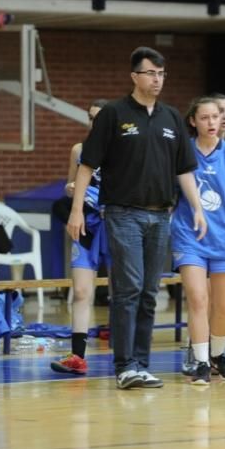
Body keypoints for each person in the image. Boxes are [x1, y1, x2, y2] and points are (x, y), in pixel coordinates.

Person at [67, 46, 206, 390]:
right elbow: (87, 165)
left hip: (161, 216)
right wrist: (75, 210)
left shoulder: (172, 117)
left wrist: (198, 207)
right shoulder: (113, 114)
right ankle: (124, 364)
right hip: (123, 213)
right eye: (150, 73)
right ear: (135, 76)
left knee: (148, 291)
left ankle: (141, 364)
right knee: (127, 289)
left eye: (161, 74)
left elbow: (185, 169)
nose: (157, 79)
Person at [173, 97, 225, 386]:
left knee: (222, 305)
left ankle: (218, 355)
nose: (211, 123)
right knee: (197, 297)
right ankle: (202, 361)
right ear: (193, 121)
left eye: (215, 117)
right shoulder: (184, 150)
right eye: (204, 118)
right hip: (189, 233)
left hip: (224, 236)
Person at [50, 98, 110, 376]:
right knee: (82, 291)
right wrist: (72, 188)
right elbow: (68, 186)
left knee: (122, 292)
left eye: (99, 118)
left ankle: (128, 354)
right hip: (86, 222)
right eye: (90, 117)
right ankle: (77, 356)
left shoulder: (120, 149)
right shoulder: (79, 150)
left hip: (113, 224)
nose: (93, 122)